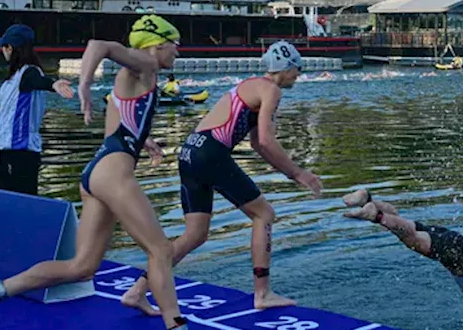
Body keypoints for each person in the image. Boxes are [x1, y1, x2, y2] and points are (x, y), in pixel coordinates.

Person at [0, 15, 224, 330]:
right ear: (157, 44)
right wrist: (83, 84)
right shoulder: (144, 62)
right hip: (113, 173)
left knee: (81, 267)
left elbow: (119, 126)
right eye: (176, 44)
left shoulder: (131, 76)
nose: (178, 52)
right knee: (160, 251)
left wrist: (145, 142)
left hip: (97, 170)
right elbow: (99, 45)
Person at [120, 40, 322, 313]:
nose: (298, 75)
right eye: (297, 69)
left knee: (195, 235)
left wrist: (291, 174)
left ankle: (137, 290)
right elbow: (266, 139)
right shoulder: (271, 90)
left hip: (189, 151)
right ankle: (262, 293)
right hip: (210, 154)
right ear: (285, 68)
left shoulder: (250, 85)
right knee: (264, 215)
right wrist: (300, 174)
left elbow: (257, 144)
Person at [341, 189, 463, 324]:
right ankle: (376, 215)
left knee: (402, 221)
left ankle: (367, 199)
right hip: (454, 251)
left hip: (452, 242)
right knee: (411, 240)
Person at [0, 24, 75, 196]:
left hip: (20, 150)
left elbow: (38, 81)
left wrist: (53, 84)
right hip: (9, 148)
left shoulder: (28, 73)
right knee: (10, 197)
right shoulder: (16, 75)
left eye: (4, 47)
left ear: (11, 48)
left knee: (18, 198)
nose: (2, 50)